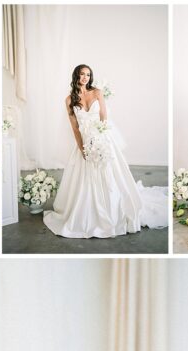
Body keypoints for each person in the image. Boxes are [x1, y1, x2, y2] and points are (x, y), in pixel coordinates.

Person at [43, 64, 168, 238]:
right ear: (76, 76)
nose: (85, 77)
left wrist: (101, 140)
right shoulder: (69, 100)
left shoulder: (97, 93)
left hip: (103, 141)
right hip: (86, 143)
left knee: (110, 175)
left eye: (88, 74)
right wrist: (83, 149)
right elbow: (75, 128)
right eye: (82, 74)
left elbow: (104, 118)